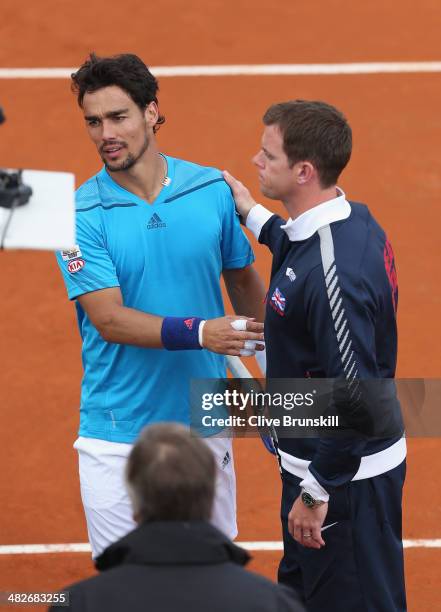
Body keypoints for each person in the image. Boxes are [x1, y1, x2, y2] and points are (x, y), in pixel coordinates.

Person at [55, 53, 266, 559]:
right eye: (93, 121)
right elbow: (108, 319)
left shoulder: (208, 190)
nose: (105, 132)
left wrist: (278, 366)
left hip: (203, 422)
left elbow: (242, 283)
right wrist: (200, 333)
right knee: (127, 588)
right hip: (116, 431)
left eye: (118, 116)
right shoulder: (79, 214)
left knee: (208, 577)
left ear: (152, 111)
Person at [223, 100, 407, 611]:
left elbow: (355, 399)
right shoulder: (351, 220)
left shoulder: (335, 283)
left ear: (303, 171)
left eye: (268, 156)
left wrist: (317, 490)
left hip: (343, 481)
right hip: (320, 463)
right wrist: (253, 214)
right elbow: (300, 246)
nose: (256, 162)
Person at [49, 423, 305, 612]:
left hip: (125, 418)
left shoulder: (79, 604)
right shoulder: (275, 603)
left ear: (135, 506)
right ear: (211, 501)